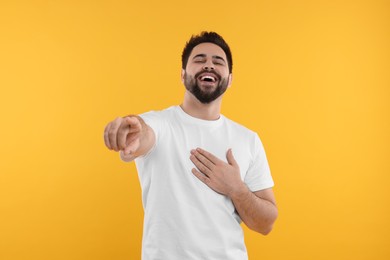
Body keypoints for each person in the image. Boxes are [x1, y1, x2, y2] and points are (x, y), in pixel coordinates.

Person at [103, 31, 278, 260]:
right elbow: (143, 132)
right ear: (183, 75)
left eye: (218, 61)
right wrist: (132, 131)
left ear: (230, 79)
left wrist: (236, 188)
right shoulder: (160, 124)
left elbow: (265, 224)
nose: (209, 65)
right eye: (199, 59)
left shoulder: (248, 139)